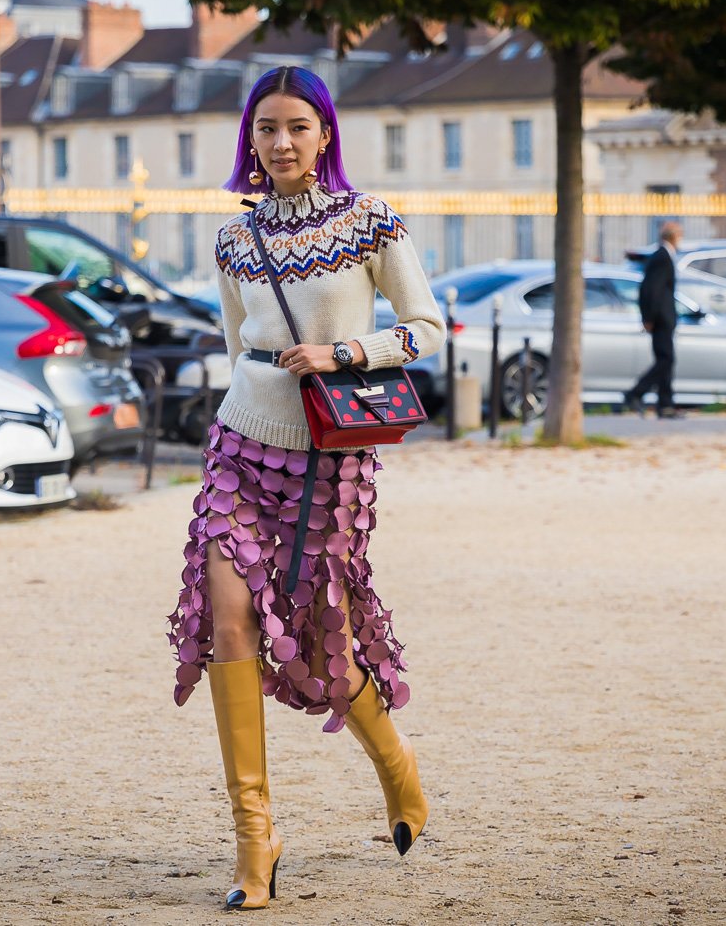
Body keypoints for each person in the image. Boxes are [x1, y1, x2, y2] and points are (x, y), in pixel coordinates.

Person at [164, 66, 446, 910]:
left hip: (332, 454)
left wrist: (347, 352)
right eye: (265, 129)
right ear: (249, 139)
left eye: (296, 127)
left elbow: (426, 327)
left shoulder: (370, 222)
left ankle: (398, 765)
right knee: (227, 615)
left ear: (326, 134)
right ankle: (256, 838)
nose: (280, 144)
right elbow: (235, 342)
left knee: (326, 647)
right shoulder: (231, 240)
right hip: (240, 445)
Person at [625, 221, 684, 419]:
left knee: (665, 360)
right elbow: (652, 290)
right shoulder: (662, 257)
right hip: (661, 319)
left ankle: (665, 405)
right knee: (666, 359)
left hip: (661, 318)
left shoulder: (663, 256)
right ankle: (636, 393)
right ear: (673, 236)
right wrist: (649, 317)